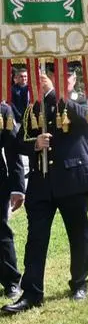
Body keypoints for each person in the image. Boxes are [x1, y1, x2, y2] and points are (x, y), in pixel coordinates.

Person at [2, 62, 88, 315]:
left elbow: (86, 119)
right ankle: (32, 292)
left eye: (68, 73)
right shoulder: (35, 106)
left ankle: (79, 282)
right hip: (41, 182)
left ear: (73, 77)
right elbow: (18, 140)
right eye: (57, 73)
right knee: (36, 238)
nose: (63, 77)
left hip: (72, 180)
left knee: (78, 234)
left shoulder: (84, 99)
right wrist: (35, 144)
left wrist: (55, 94)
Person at [0, 102, 24, 300]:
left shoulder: (3, 110)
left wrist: (17, 187)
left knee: (1, 231)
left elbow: (12, 150)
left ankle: (11, 281)